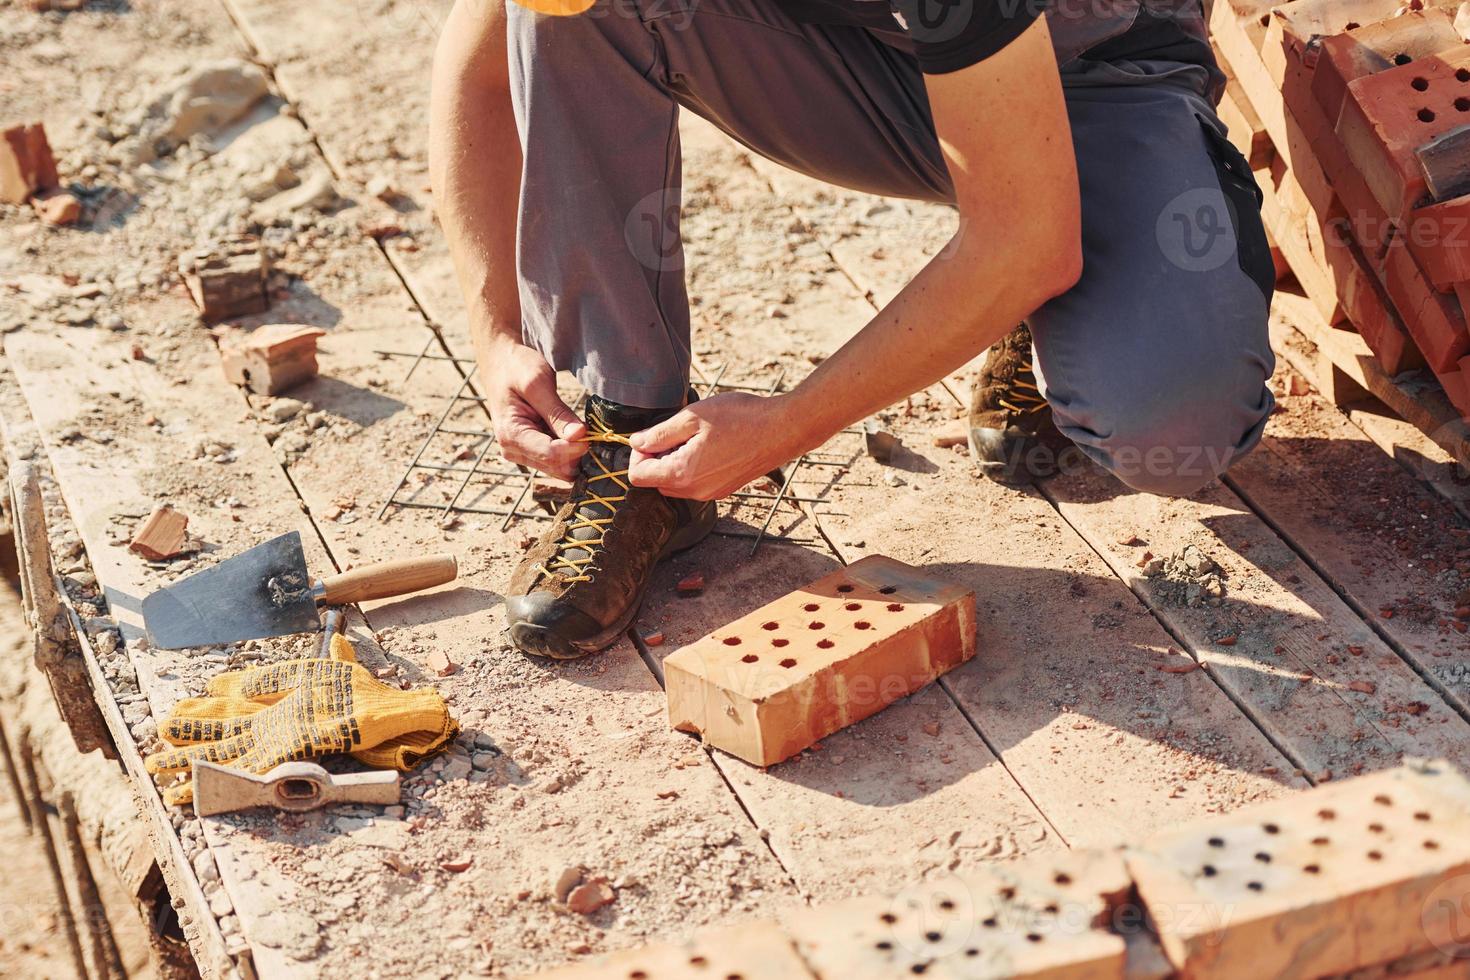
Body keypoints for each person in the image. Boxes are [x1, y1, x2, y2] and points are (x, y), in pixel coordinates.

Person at [428, 0, 1276, 660]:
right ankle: (632, 425)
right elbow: (483, 69)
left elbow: (1023, 238)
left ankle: (1055, 281)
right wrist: (495, 329)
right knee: (582, 13)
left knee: (1177, 424)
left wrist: (789, 424)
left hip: (1098, 75)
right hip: (878, 70)